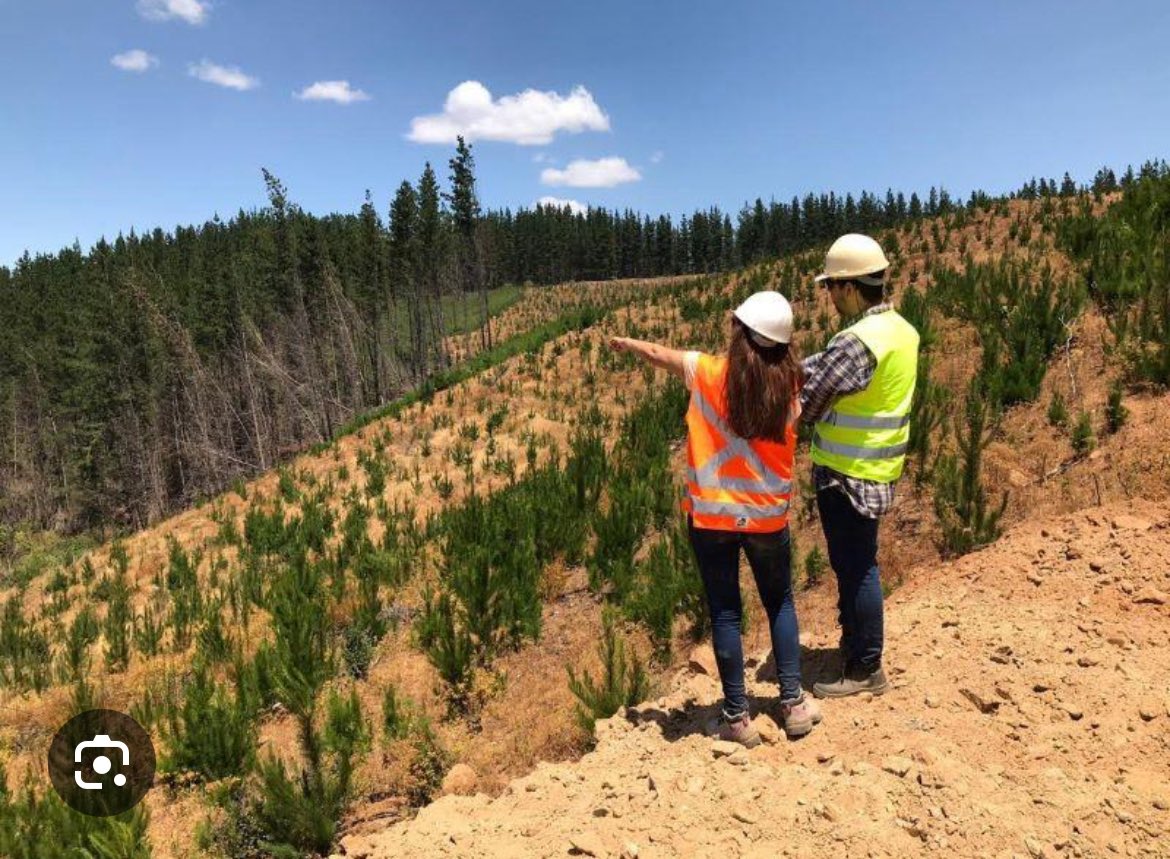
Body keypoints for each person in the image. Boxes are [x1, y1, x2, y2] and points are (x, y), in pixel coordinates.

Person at [608, 291, 820, 744]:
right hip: (766, 519)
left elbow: (659, 355)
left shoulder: (707, 372)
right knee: (779, 602)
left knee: (726, 612)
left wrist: (627, 343)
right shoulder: (793, 385)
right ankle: (793, 704)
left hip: (712, 519)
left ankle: (737, 718)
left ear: (741, 335)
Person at [801, 234, 919, 699]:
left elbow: (809, 401)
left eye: (832, 286)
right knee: (858, 563)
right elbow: (820, 367)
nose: (829, 296)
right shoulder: (900, 330)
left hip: (847, 475)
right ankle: (855, 649)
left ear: (850, 286)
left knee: (856, 568)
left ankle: (865, 667)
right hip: (877, 469)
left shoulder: (856, 342)